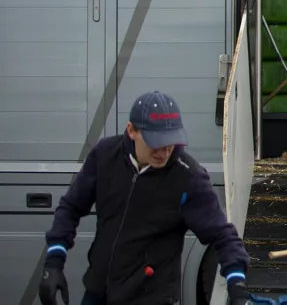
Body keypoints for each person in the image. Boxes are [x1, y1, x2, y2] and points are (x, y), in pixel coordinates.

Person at [38, 91, 251, 305]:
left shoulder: (188, 177)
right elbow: (70, 207)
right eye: (156, 144)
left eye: (171, 143)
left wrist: (238, 288)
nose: (165, 152)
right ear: (132, 131)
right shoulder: (104, 156)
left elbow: (222, 235)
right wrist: (54, 262)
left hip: (151, 297)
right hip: (98, 292)